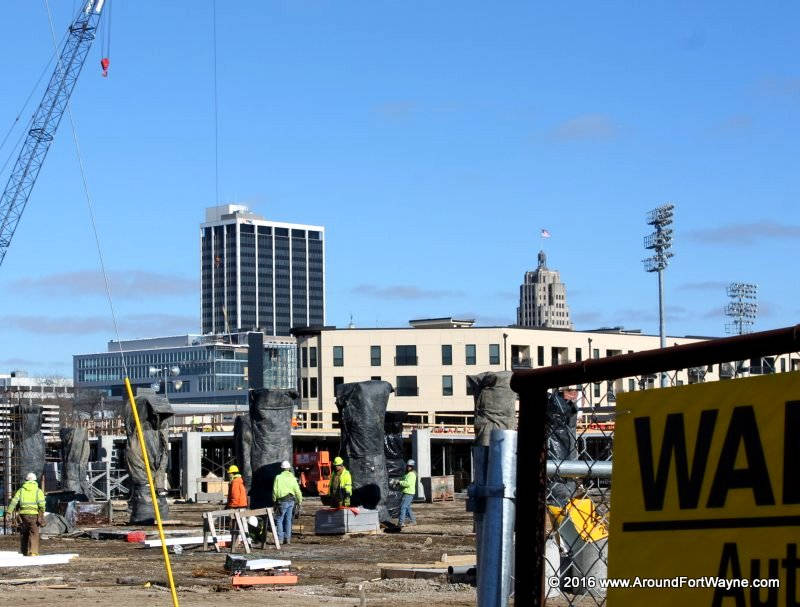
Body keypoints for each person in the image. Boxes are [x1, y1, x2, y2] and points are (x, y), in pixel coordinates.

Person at [8, 472, 46, 556]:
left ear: (26, 480)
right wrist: (42, 512)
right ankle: (33, 552)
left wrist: (9, 511)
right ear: (35, 481)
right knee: (34, 533)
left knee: (24, 533)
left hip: (23, 515)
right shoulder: (38, 491)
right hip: (34, 515)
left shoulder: (21, 490)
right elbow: (42, 504)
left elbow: (14, 501)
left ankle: (24, 551)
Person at [272, 461, 302, 545]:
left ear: (282, 468)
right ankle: (287, 539)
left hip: (282, 501)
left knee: (279, 519)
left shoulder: (278, 477)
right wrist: (299, 500)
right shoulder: (292, 478)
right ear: (289, 468)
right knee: (288, 520)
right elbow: (297, 490)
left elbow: (275, 490)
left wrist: (274, 500)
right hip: (291, 500)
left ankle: (280, 539)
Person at [396, 459, 417, 528]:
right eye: (408, 466)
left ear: (412, 467)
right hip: (407, 492)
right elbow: (403, 480)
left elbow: (407, 483)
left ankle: (401, 522)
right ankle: (413, 521)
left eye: (410, 466)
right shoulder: (408, 474)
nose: (408, 467)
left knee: (403, 507)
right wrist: (398, 482)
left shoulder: (411, 474)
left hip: (408, 493)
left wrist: (400, 482)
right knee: (407, 507)